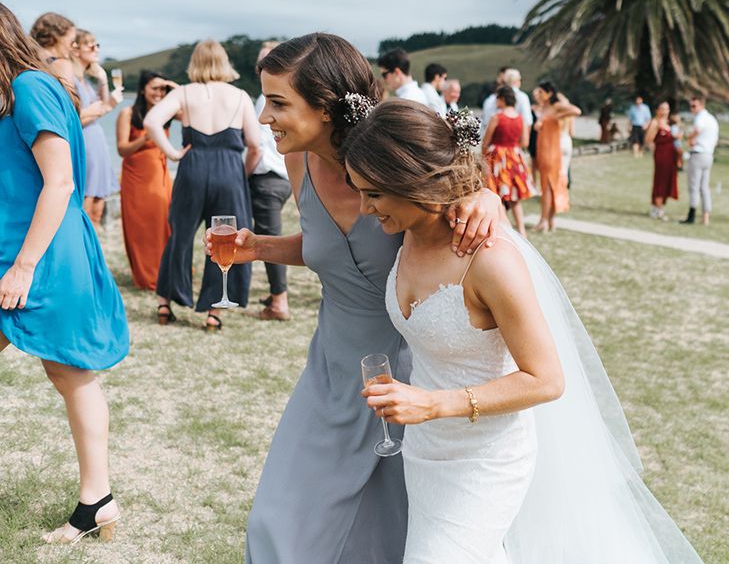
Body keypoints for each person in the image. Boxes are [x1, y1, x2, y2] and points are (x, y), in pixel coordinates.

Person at [345, 97, 705, 564]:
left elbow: (547, 380)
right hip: (426, 451)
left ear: (412, 182)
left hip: (486, 458)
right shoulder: (405, 230)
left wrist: (435, 403)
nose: (364, 207)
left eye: (373, 193)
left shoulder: (489, 259)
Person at [206, 33, 502, 564]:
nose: (264, 115)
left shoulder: (393, 161)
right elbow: (335, 251)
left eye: (277, 102)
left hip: (409, 373)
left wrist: (487, 197)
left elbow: (452, 198)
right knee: (280, 520)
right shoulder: (298, 163)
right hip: (331, 367)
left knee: (390, 527)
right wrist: (261, 248)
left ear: (325, 107)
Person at [0, 2, 128, 544]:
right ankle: (97, 500)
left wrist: (24, 267)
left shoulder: (31, 88)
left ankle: (96, 499)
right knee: (68, 375)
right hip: (20, 249)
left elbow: (60, 184)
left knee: (71, 373)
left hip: (44, 254)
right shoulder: (19, 92)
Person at [145, 39, 261, 330]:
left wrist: (171, 153)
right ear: (224, 62)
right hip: (229, 169)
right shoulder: (240, 95)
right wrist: (240, 176)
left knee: (180, 235)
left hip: (192, 165)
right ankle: (215, 309)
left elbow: (151, 121)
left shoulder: (184, 92)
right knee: (226, 239)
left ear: (195, 62)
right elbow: (256, 146)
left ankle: (164, 302)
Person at [116, 70, 175, 292]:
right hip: (136, 179)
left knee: (164, 226)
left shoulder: (167, 114)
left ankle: (167, 271)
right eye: (155, 88)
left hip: (161, 178)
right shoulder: (128, 113)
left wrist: (174, 88)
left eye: (163, 88)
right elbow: (122, 149)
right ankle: (147, 276)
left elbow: (191, 109)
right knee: (141, 228)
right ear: (143, 89)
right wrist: (145, 138)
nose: (159, 93)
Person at [251, 41, 293, 321]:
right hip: (283, 178)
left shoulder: (263, 100)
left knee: (270, 238)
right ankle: (275, 294)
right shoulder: (273, 96)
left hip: (268, 178)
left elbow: (256, 145)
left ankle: (280, 301)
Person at [70, 29, 123, 229]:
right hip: (84, 142)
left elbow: (101, 107)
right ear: (75, 50)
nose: (96, 49)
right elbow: (74, 120)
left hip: (96, 141)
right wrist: (105, 107)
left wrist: (103, 80)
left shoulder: (85, 80)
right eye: (91, 45)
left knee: (98, 207)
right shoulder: (71, 81)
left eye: (98, 45)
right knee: (86, 203)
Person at [482, 86, 535, 236]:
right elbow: (524, 142)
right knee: (514, 197)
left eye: (497, 99)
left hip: (497, 158)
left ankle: (506, 229)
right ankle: (522, 230)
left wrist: (484, 156)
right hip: (514, 157)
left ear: (503, 99)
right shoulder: (520, 118)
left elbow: (486, 141)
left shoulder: (497, 117)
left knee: (498, 194)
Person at [533, 82, 581, 232]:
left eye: (541, 92)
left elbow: (576, 111)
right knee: (550, 185)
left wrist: (560, 114)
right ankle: (550, 220)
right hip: (543, 148)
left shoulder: (555, 107)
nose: (539, 95)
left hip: (551, 151)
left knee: (548, 186)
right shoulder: (544, 108)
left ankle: (544, 220)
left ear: (549, 93)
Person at [681, 96, 719, 225]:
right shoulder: (712, 119)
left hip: (698, 154)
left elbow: (697, 129)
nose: (692, 109)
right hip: (709, 155)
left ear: (701, 105)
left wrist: (690, 138)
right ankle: (706, 216)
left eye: (694, 106)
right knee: (704, 187)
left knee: (693, 186)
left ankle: (691, 215)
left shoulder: (701, 117)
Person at [644, 101, 678, 221]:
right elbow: (648, 139)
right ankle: (658, 208)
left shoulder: (668, 123)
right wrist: (656, 152)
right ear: (658, 110)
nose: (665, 112)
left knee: (667, 181)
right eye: (662, 109)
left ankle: (658, 206)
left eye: (667, 109)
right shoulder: (655, 123)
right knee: (660, 181)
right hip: (661, 156)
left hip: (670, 156)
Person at [29, 12, 77, 81]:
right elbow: (67, 92)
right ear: (57, 38)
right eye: (72, 41)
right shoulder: (63, 65)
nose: (75, 45)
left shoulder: (29, 63)